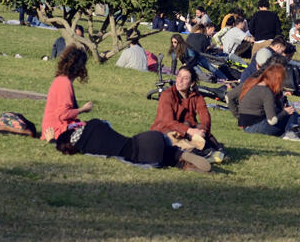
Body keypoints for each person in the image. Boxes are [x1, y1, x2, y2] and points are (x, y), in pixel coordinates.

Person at [55, 118, 209, 172]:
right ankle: (182, 155)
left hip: (142, 155)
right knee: (170, 152)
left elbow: (104, 155)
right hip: (149, 137)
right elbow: (107, 125)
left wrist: (52, 141)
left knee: (166, 160)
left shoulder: (85, 149)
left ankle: (182, 163)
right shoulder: (95, 123)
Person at [151, 65, 224, 162]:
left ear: (192, 83)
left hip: (187, 131)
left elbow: (205, 116)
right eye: (179, 76)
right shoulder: (167, 95)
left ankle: (213, 150)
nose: (180, 81)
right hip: (165, 131)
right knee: (182, 131)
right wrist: (190, 131)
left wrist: (203, 132)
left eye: (185, 78)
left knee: (198, 127)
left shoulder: (196, 96)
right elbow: (168, 122)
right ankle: (198, 153)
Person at [227, 62, 298, 138]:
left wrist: (238, 115)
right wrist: (285, 112)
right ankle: (290, 134)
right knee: (292, 113)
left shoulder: (249, 82)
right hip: (256, 128)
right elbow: (272, 120)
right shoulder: (266, 92)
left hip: (245, 126)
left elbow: (228, 97)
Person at [42, 46, 95, 141]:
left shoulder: (60, 80)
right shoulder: (65, 83)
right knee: (97, 127)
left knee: (93, 125)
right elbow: (63, 114)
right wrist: (83, 109)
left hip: (55, 128)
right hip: (57, 131)